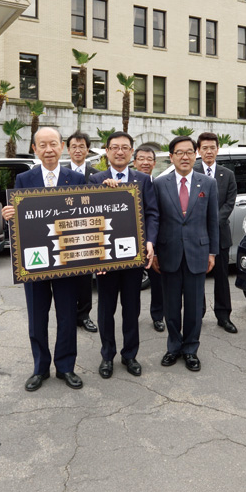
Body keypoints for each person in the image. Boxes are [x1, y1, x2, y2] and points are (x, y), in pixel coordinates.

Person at [2, 127, 86, 392]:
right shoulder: (24, 179)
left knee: (67, 315)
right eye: (42, 145)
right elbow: (19, 221)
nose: (48, 149)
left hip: (67, 260)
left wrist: (111, 186)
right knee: (37, 317)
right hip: (35, 261)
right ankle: (40, 368)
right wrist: (8, 216)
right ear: (35, 149)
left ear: (62, 146)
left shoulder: (77, 178)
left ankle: (65, 367)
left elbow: (94, 208)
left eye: (53, 144)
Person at [89, 132, 159, 378]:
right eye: (115, 147)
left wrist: (150, 242)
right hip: (106, 260)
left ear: (131, 153)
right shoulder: (95, 179)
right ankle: (107, 356)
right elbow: (88, 219)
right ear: (107, 151)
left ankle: (130, 355)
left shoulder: (143, 180)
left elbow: (152, 213)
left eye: (125, 148)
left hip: (133, 258)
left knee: (132, 309)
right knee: (106, 310)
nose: (120, 152)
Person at [152, 136, 219, 372]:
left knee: (193, 307)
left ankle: (191, 349)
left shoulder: (207, 184)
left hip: (197, 253)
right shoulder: (160, 184)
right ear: (171, 157)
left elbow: (213, 220)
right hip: (168, 253)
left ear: (195, 155)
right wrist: (156, 253)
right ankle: (173, 347)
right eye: (179, 153)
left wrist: (212, 252)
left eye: (189, 152)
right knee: (171, 307)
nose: (185, 157)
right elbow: (155, 220)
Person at [193, 133, 238, 333]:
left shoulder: (227, 174)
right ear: (199, 151)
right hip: (196, 235)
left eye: (212, 147)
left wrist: (212, 222)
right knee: (197, 277)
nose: (209, 151)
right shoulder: (191, 172)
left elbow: (229, 203)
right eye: (205, 148)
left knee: (221, 277)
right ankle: (197, 313)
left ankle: (224, 316)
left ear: (217, 149)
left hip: (220, 234)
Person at [66, 131, 99, 334]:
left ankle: (84, 315)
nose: (78, 150)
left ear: (87, 149)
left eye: (82, 146)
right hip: (64, 233)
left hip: (88, 233)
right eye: (74, 146)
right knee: (67, 278)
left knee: (86, 278)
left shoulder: (96, 175)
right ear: (68, 149)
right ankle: (69, 315)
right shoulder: (58, 174)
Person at [133, 145, 165, 333]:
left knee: (158, 281)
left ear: (154, 163)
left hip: (158, 241)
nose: (145, 162)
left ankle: (158, 315)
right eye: (141, 158)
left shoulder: (160, 184)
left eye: (149, 159)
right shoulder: (126, 183)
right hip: (133, 243)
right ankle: (132, 315)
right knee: (132, 283)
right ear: (135, 161)